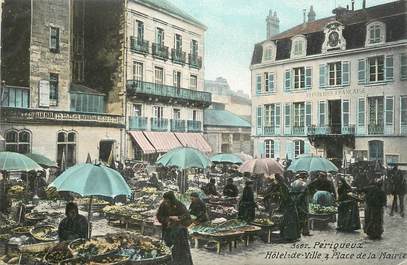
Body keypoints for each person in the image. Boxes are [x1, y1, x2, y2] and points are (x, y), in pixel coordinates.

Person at [156, 191, 193, 265]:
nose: (166, 202)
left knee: (181, 251)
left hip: (179, 233)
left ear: (172, 199)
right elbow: (159, 216)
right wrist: (167, 220)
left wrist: (179, 218)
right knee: (168, 249)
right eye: (165, 200)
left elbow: (187, 216)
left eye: (167, 200)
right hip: (167, 231)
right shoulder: (163, 205)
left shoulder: (179, 205)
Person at [276, 173, 300, 242]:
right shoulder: (284, 186)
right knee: (290, 221)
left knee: (289, 221)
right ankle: (291, 236)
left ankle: (290, 237)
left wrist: (280, 206)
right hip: (290, 205)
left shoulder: (282, 187)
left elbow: (285, 198)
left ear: (278, 180)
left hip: (289, 206)